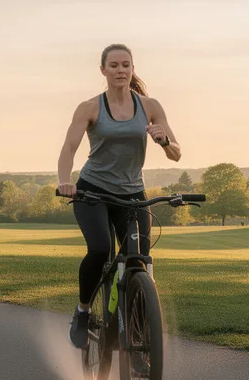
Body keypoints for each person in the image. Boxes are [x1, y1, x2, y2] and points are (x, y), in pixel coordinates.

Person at [57, 43, 181, 349]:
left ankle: (137, 334)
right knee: (100, 249)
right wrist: (65, 181)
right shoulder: (90, 108)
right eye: (113, 65)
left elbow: (176, 154)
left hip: (133, 194)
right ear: (103, 70)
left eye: (126, 65)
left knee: (138, 261)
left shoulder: (150, 106)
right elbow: (68, 150)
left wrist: (164, 140)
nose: (120, 70)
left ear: (132, 68)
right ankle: (83, 311)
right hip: (93, 192)